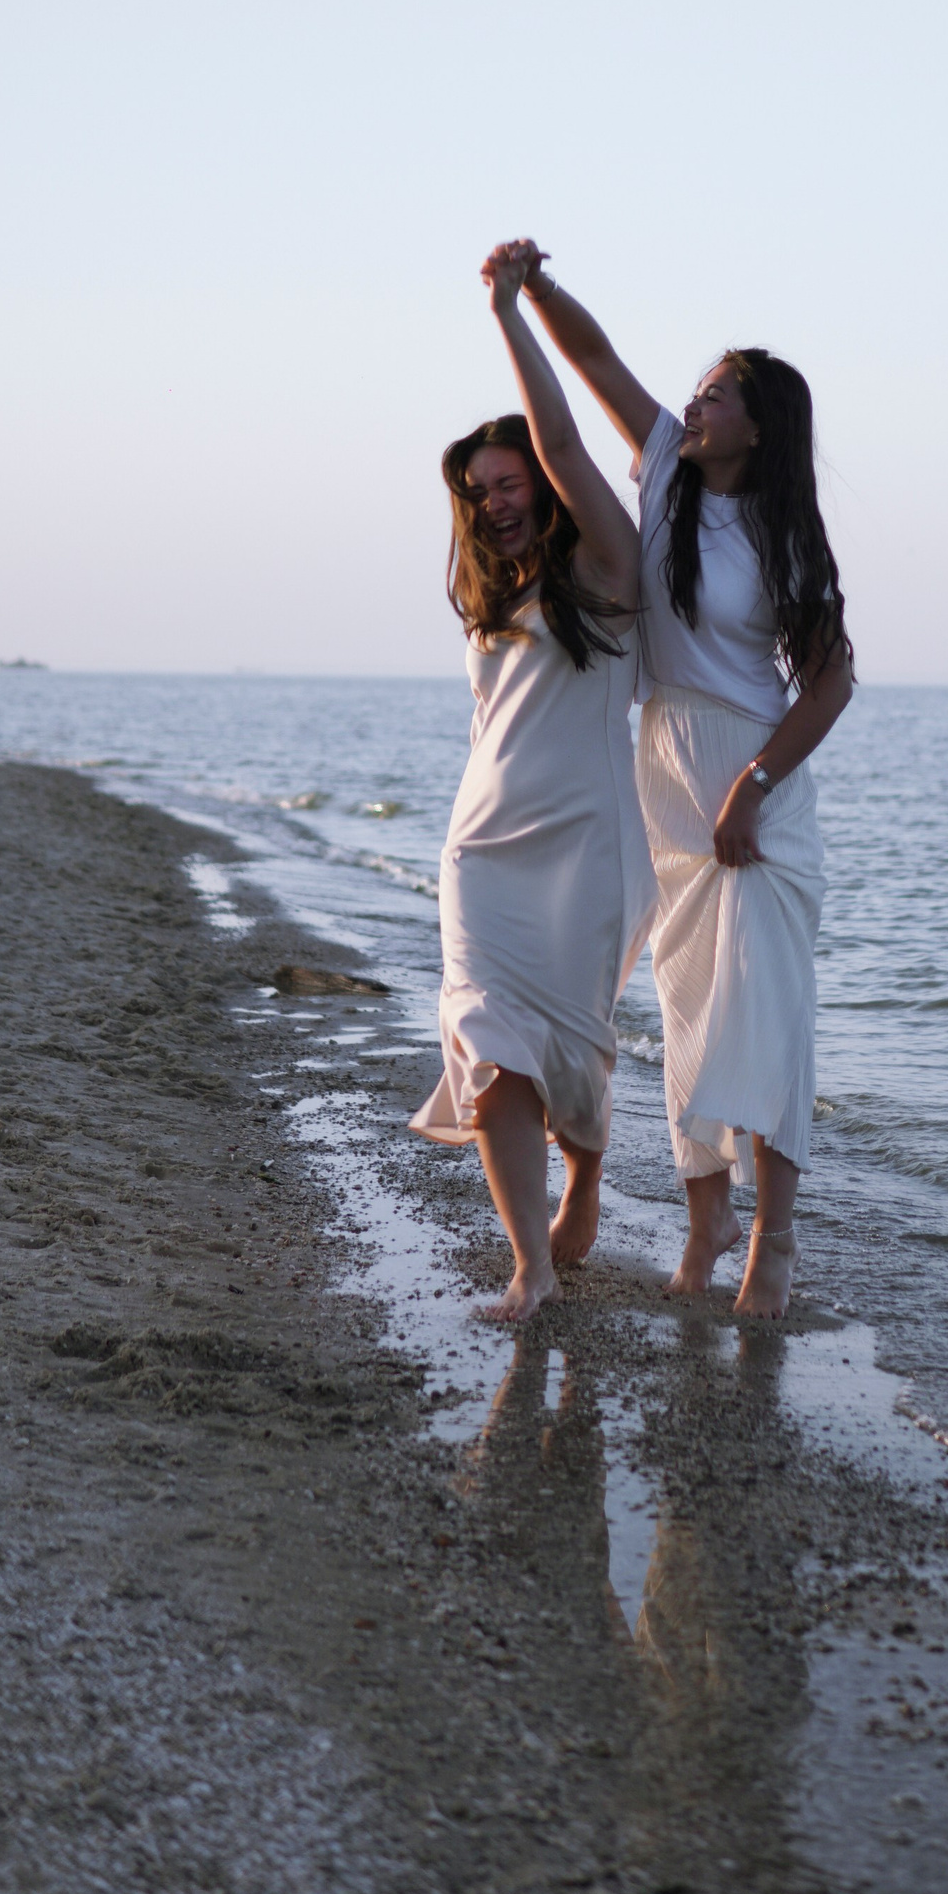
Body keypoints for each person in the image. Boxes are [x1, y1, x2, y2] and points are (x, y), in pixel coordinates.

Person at [508, 241, 854, 1319]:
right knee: (689, 1006)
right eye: (696, 391)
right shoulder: (662, 466)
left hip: (754, 785)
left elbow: (832, 684)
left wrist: (754, 785)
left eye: (717, 395)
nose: (694, 405)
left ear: (760, 425)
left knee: (768, 1013)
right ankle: (708, 1224)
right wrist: (533, 289)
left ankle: (774, 1244)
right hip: (663, 767)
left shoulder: (786, 536)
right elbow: (596, 361)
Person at [408, 245, 655, 1324]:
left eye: (509, 485)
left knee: (575, 1049)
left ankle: (584, 1177)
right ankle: (530, 1268)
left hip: (589, 846)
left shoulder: (608, 569)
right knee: (490, 1046)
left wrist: (510, 309)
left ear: (545, 489)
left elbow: (561, 438)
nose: (496, 503)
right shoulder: (491, 593)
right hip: (483, 850)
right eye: (480, 492)